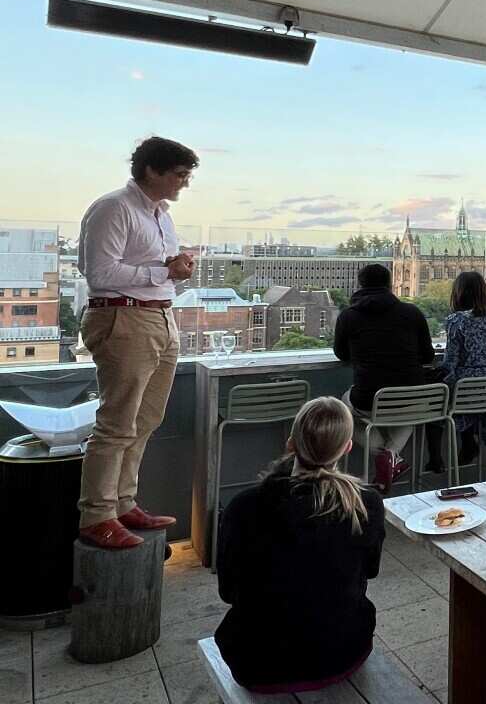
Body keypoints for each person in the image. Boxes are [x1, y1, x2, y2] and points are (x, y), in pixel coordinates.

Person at [215, 397, 385, 693]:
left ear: (290, 443)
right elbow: (370, 571)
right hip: (343, 652)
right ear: (347, 447)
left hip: (257, 664)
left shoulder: (244, 507)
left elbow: (228, 591)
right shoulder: (365, 504)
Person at [76, 136, 198, 548]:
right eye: (180, 175)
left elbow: (154, 267)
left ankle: (122, 503)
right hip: (123, 318)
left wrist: (175, 268)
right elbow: (100, 273)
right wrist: (162, 274)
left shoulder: (160, 215)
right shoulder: (114, 208)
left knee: (146, 419)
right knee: (116, 423)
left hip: (159, 318)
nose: (184, 183)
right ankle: (97, 515)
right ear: (152, 171)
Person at [334, 264, 440, 492]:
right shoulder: (412, 312)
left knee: (343, 412)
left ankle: (387, 457)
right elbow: (428, 355)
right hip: (412, 396)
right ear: (390, 284)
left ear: (360, 285)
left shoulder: (348, 316)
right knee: (410, 414)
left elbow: (341, 354)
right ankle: (392, 457)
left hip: (370, 398)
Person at [441, 271, 486, 466]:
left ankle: (448, 452)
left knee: (439, 399)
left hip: (466, 394)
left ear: (459, 293)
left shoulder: (457, 321)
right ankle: (482, 443)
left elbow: (450, 363)